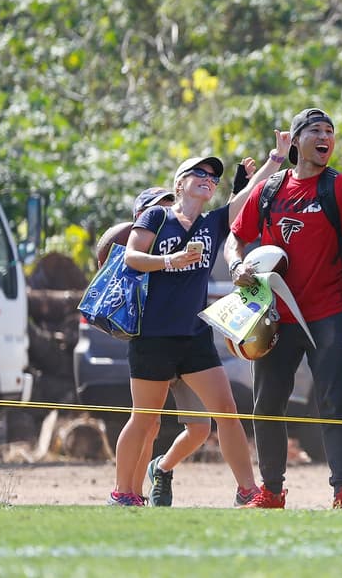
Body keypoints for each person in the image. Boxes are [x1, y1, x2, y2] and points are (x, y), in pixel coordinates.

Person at [226, 104, 342, 509]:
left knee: (334, 402)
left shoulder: (337, 187)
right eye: (316, 130)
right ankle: (270, 492)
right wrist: (237, 265)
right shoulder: (270, 190)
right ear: (297, 140)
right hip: (273, 316)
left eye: (330, 131)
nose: (326, 137)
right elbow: (236, 236)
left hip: (326, 313)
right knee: (267, 403)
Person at [110, 149, 282, 506]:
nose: (207, 179)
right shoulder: (158, 216)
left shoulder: (212, 223)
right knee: (144, 420)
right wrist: (169, 259)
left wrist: (276, 159)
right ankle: (122, 493)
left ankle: (247, 491)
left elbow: (245, 198)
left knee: (227, 414)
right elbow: (131, 256)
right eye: (198, 173)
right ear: (180, 183)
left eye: (212, 177)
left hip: (193, 335)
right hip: (153, 336)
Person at [96, 186, 213, 506]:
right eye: (158, 208)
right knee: (147, 421)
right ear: (141, 216)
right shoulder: (136, 254)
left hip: (189, 344)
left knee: (201, 427)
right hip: (152, 345)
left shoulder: (188, 233)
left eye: (169, 205)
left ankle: (156, 472)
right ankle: (129, 492)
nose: (167, 212)